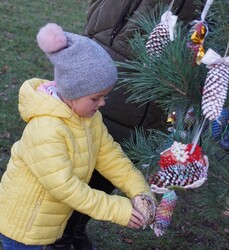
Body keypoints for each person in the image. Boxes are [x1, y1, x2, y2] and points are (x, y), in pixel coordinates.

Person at [48, 1, 198, 250]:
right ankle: (61, 236)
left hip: (161, 73)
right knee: (82, 155)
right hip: (114, 43)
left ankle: (74, 230)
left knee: (117, 158)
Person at [0, 23, 155, 250]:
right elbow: (67, 188)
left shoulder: (89, 119)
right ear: (73, 93)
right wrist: (117, 209)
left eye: (105, 96)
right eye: (96, 98)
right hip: (22, 227)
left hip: (44, 224)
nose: (102, 103)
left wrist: (140, 190)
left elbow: (112, 157)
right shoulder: (47, 129)